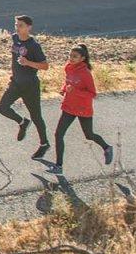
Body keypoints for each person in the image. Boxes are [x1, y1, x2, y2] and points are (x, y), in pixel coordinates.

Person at [48, 44, 114, 175]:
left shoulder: (85, 73)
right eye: (70, 55)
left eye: (75, 56)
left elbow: (92, 94)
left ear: (83, 58)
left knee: (89, 135)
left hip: (83, 108)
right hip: (69, 106)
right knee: (58, 134)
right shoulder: (68, 68)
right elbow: (68, 82)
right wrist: (64, 89)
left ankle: (107, 147)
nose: (71, 58)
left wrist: (75, 91)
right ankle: (58, 166)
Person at [0, 15, 51, 160]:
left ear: (29, 27)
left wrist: (28, 63)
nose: (17, 28)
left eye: (20, 25)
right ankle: (22, 122)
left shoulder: (34, 46)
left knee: (36, 116)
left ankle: (44, 144)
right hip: (15, 83)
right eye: (16, 25)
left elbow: (45, 66)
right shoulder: (15, 38)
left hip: (30, 86)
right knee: (2, 107)